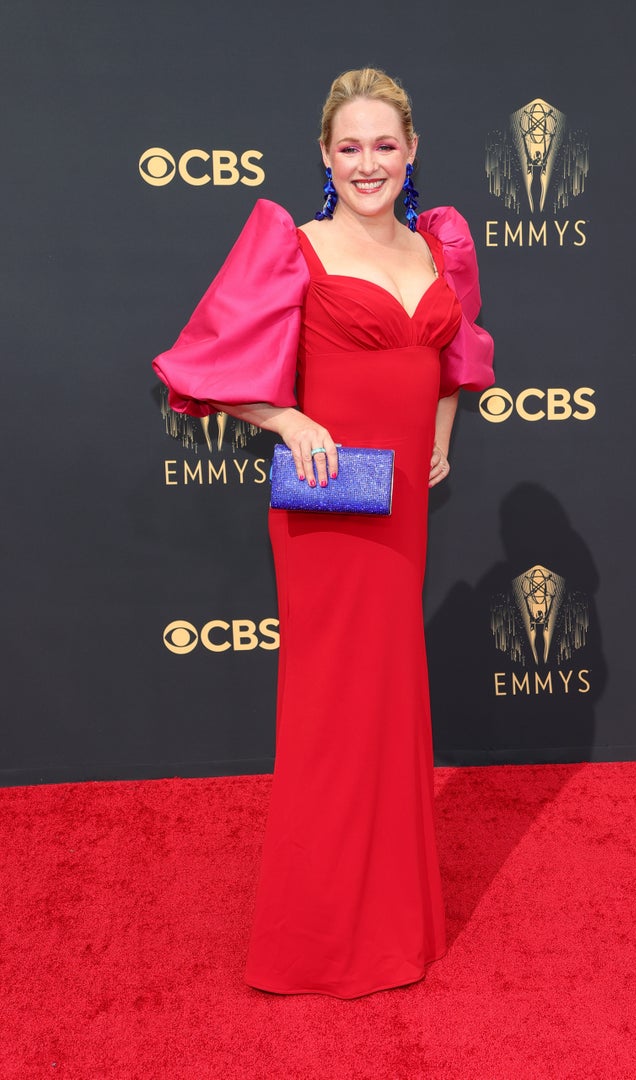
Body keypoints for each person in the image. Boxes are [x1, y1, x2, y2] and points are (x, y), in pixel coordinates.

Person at [152, 67, 494, 999]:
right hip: (329, 499)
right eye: (350, 147)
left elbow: (455, 355)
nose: (369, 163)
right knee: (332, 710)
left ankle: (391, 924)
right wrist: (288, 421)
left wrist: (439, 438)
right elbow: (208, 358)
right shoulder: (294, 244)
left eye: (386, 144)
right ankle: (319, 941)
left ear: (412, 148)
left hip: (404, 506)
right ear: (325, 156)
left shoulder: (439, 246)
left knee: (388, 699)